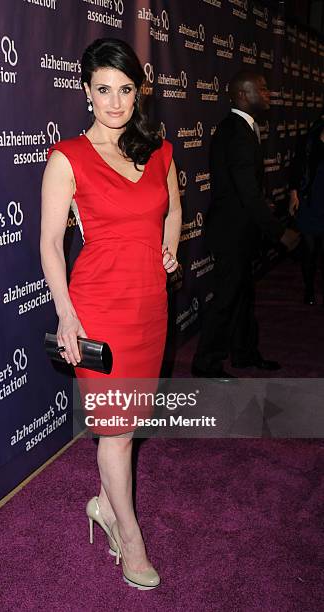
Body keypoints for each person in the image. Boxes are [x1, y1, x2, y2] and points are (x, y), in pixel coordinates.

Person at [40, 38, 181, 589]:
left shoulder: (159, 151)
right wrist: (67, 316)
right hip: (98, 308)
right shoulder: (67, 157)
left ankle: (102, 503)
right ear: (86, 92)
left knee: (126, 425)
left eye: (126, 89)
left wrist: (169, 249)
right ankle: (131, 536)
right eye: (104, 89)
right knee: (116, 432)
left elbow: (173, 207)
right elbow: (51, 243)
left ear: (138, 91)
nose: (116, 102)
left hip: (150, 307)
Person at [191, 70, 299, 379]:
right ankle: (204, 363)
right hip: (230, 232)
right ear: (242, 95)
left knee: (242, 296)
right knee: (226, 298)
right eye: (261, 89)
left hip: (240, 230)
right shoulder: (236, 131)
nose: (268, 94)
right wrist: (280, 232)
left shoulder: (244, 127)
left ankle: (244, 353)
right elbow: (247, 193)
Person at [289, 112, 324, 305]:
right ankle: (309, 287)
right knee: (309, 250)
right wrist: (293, 194)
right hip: (310, 202)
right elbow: (296, 167)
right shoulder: (308, 141)